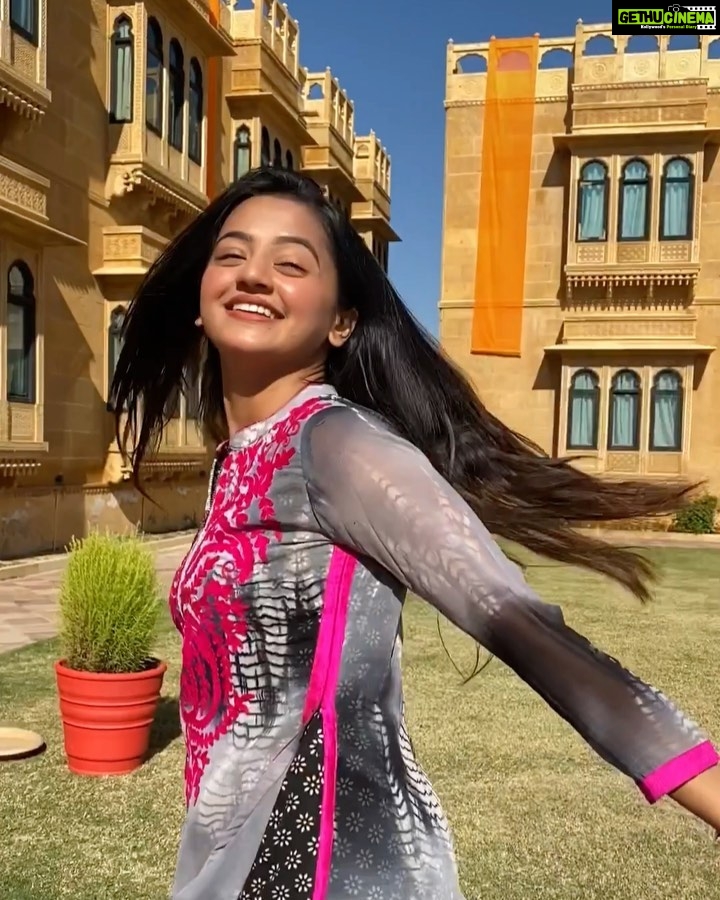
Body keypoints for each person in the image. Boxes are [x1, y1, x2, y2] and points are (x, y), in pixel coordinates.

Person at [111, 168, 720, 900]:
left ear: (341, 320)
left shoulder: (338, 445)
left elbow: (518, 623)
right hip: (235, 861)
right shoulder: (239, 458)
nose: (255, 275)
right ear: (200, 297)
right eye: (232, 254)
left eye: (292, 263)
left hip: (329, 863)